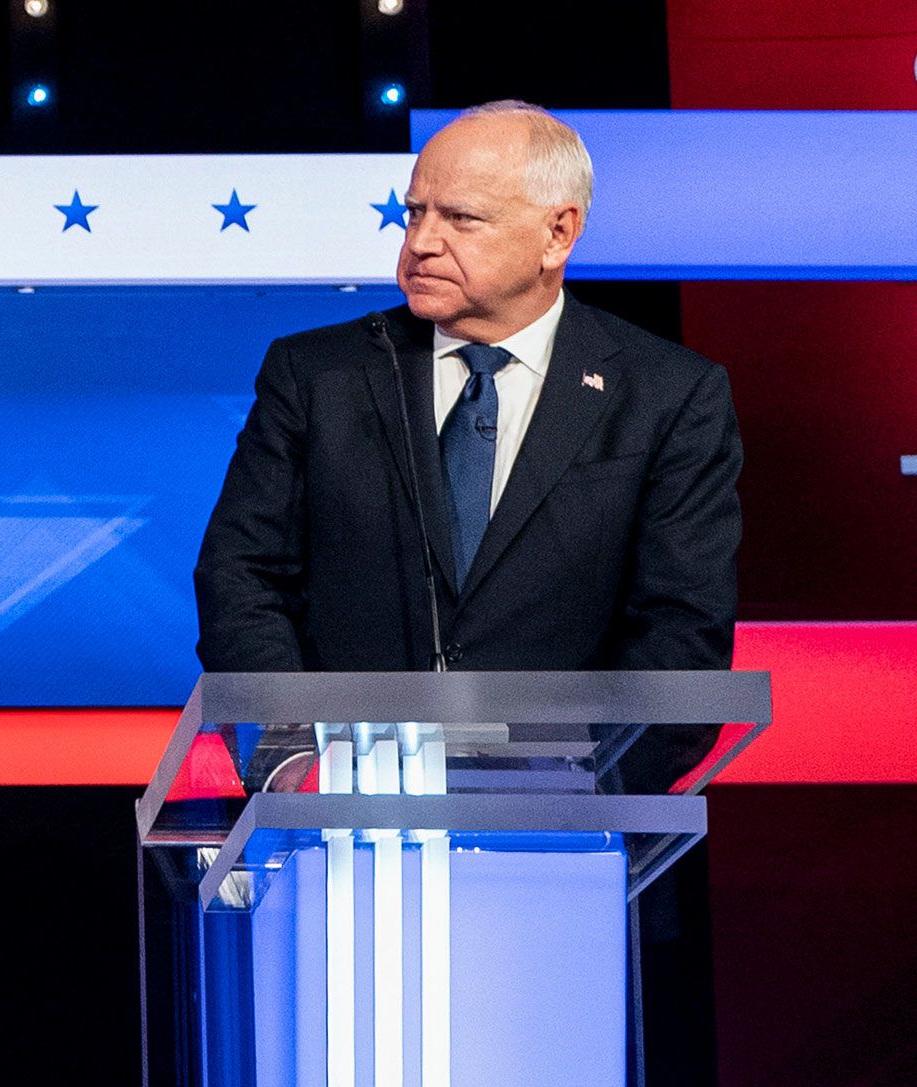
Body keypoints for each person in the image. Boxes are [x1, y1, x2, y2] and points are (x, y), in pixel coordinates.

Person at [194, 100, 741, 675]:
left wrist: (602, 768)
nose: (422, 242)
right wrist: (291, 754)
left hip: (571, 763)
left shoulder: (670, 396)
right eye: (415, 213)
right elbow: (242, 578)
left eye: (461, 218)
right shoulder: (315, 374)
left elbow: (682, 629)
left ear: (558, 233)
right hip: (347, 760)